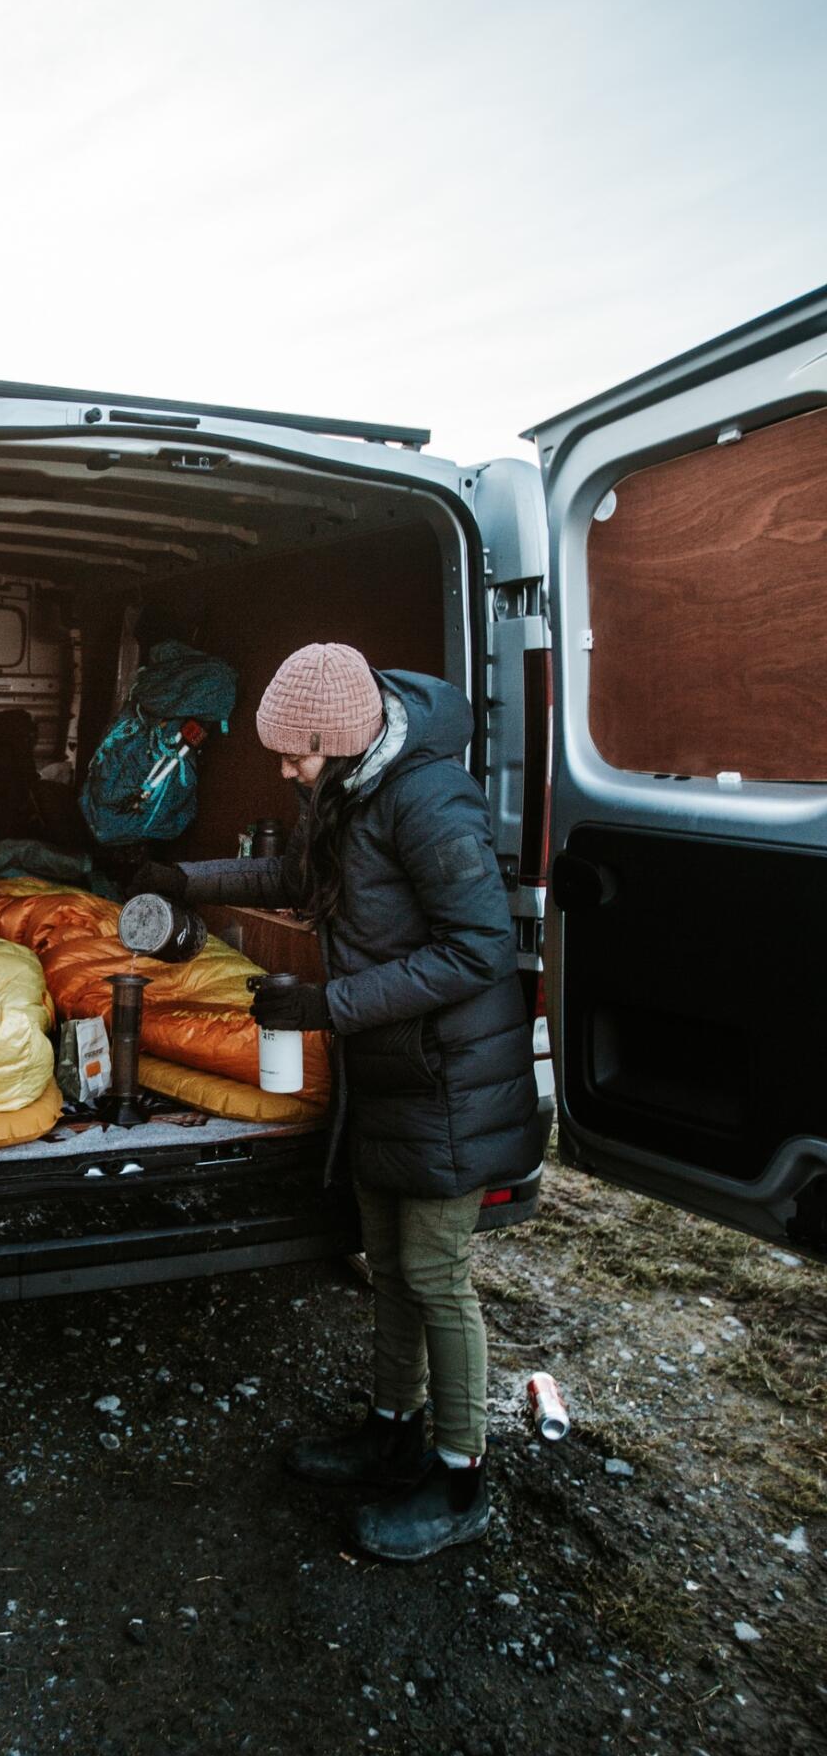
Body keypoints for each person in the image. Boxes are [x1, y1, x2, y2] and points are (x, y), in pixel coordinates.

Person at [131, 642, 540, 1561]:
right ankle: (392, 1427)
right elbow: (301, 881)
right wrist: (186, 878)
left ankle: (461, 1473)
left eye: (293, 755)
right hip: (388, 1069)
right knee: (388, 1264)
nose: (283, 770)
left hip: (450, 1078)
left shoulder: (431, 801)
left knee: (435, 1275)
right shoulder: (347, 788)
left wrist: (327, 1004)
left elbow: (479, 950)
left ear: (341, 739)